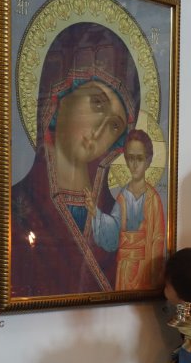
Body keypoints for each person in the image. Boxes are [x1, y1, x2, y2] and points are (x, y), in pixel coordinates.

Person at [11, 22, 140, 297]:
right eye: (97, 103)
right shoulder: (13, 208)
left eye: (115, 125)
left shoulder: (115, 217)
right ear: (59, 95)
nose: (100, 131)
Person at [86, 129, 166, 290]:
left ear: (148, 161)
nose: (134, 165)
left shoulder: (153, 199)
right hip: (124, 267)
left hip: (145, 268)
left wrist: (154, 273)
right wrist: (95, 212)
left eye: (139, 159)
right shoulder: (123, 196)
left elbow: (158, 239)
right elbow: (114, 230)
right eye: (130, 158)